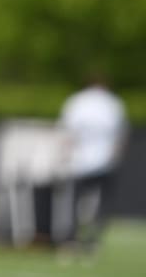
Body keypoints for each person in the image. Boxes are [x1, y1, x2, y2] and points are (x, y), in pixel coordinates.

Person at [56, 74, 128, 258]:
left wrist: (64, 156)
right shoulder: (113, 104)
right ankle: (92, 240)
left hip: (79, 162)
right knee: (102, 204)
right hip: (104, 162)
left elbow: (68, 133)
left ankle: (71, 239)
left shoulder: (77, 102)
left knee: (74, 202)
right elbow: (120, 136)